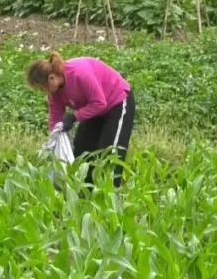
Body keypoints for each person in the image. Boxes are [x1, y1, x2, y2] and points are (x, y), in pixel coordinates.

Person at [26, 52, 135, 188]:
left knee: (110, 155)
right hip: (94, 110)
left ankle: (111, 199)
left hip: (117, 102)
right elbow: (56, 117)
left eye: (43, 88)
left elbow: (99, 103)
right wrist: (54, 139)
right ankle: (86, 198)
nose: (44, 92)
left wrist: (74, 117)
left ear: (51, 78)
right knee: (82, 154)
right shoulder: (55, 93)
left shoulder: (79, 73)